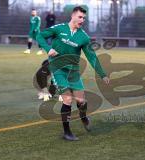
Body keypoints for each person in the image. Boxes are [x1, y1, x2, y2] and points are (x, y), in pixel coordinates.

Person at [36, 6, 110, 141]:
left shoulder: (84, 37)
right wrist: (48, 49)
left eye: (84, 18)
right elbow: (40, 35)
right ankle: (67, 132)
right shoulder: (59, 28)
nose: (82, 20)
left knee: (81, 101)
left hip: (73, 72)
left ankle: (84, 117)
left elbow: (92, 57)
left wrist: (102, 74)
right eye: (80, 17)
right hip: (58, 69)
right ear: (73, 16)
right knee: (68, 99)